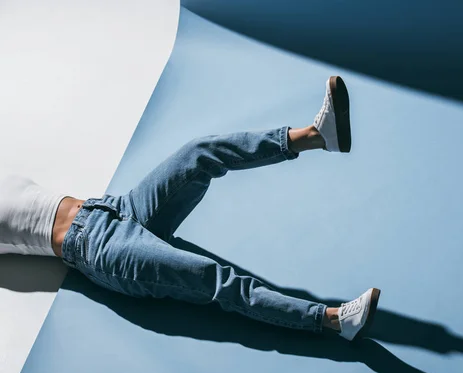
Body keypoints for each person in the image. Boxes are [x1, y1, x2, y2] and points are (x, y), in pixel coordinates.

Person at [0, 76, 380, 341]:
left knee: (199, 152)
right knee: (217, 280)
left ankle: (317, 136)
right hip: (99, 251)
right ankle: (332, 321)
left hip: (113, 208)